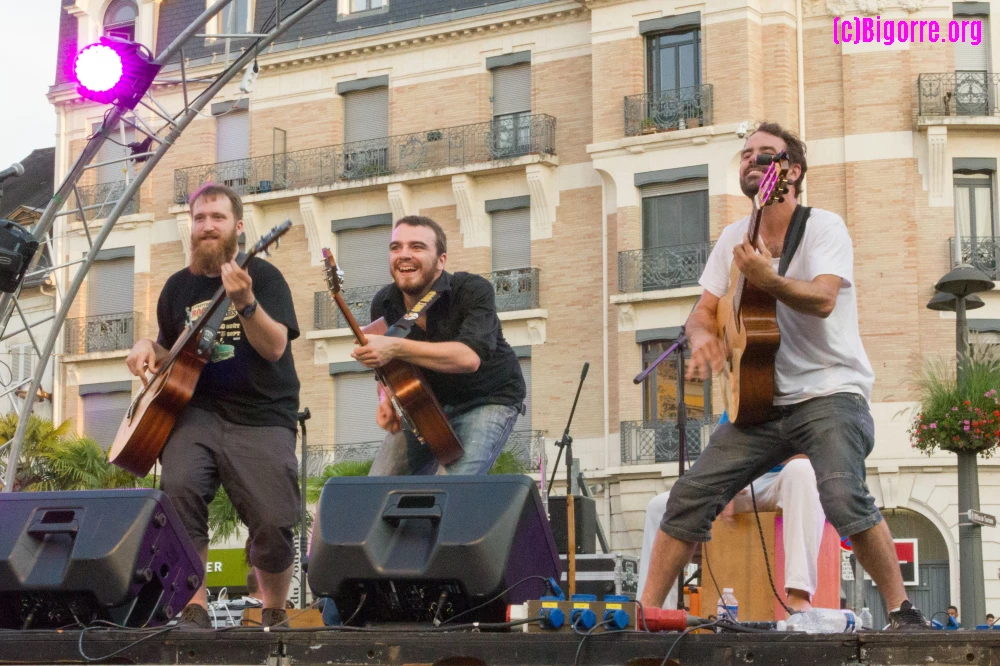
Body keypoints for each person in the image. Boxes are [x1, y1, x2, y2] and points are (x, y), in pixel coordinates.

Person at [638, 122, 929, 630]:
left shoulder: (824, 228)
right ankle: (645, 615)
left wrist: (769, 279)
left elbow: (822, 298)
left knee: (841, 493)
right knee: (688, 495)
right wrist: (704, 334)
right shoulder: (735, 236)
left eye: (765, 154)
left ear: (790, 172)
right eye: (746, 153)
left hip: (831, 391)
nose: (751, 159)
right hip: (760, 402)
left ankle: (902, 609)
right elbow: (703, 310)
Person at [126, 183, 301, 630]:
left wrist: (245, 302)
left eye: (217, 218)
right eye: (200, 218)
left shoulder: (264, 276)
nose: (207, 226)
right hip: (196, 412)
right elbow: (174, 357)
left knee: (275, 520)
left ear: (237, 228)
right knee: (179, 492)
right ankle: (194, 608)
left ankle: (276, 610)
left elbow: (275, 346)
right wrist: (148, 344)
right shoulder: (176, 288)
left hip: (261, 414)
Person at [352, 215, 526, 475]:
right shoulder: (385, 303)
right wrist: (385, 397)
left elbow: (468, 358)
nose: (404, 254)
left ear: (441, 261)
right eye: (395, 247)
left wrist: (394, 347)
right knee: (378, 491)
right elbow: (388, 367)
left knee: (452, 492)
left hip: (488, 399)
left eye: (417, 247)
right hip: (425, 407)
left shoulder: (472, 290)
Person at [638, 454, 826, 614]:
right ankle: (655, 616)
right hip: (745, 484)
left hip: (788, 478)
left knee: (802, 469)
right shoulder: (743, 409)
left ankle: (799, 596)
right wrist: (724, 483)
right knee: (659, 507)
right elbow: (722, 450)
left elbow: (820, 452)